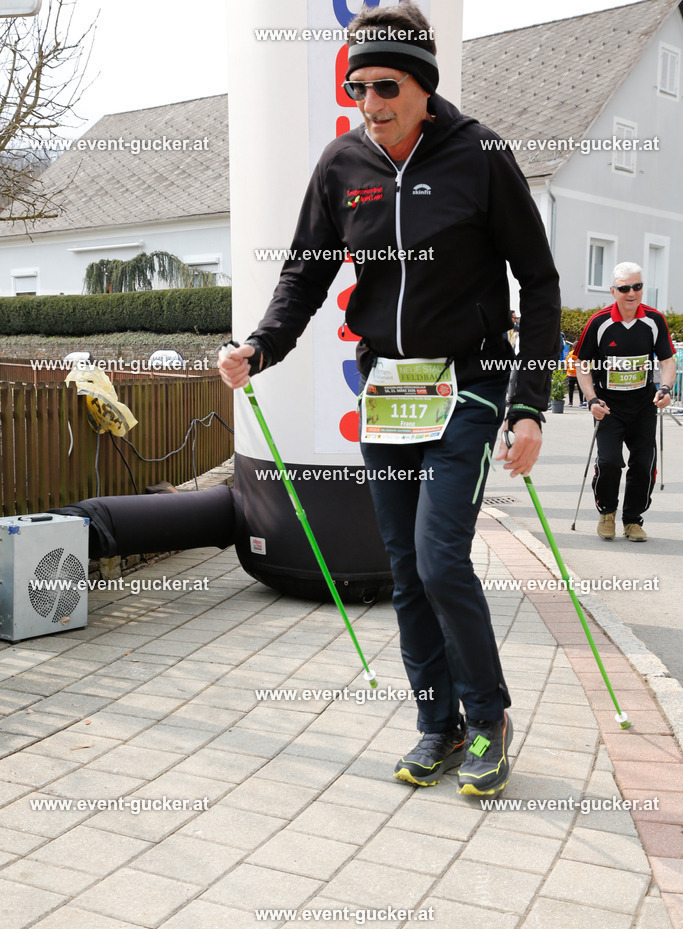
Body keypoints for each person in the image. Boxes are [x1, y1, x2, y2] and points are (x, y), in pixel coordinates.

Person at [219, 3, 561, 796]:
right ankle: (434, 725)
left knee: (442, 558)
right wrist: (260, 345)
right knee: (404, 566)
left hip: (470, 381)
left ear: (422, 86)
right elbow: (304, 274)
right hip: (389, 389)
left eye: (385, 86)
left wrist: (528, 403)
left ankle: (488, 719)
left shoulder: (479, 155)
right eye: (356, 86)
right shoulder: (343, 165)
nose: (368, 103)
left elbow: (537, 283)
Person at [574, 262, 675, 542]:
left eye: (637, 287)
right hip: (608, 407)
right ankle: (607, 512)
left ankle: (632, 520)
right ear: (613, 291)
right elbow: (582, 364)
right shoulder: (600, 322)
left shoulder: (654, 320)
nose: (632, 293)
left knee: (643, 464)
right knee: (609, 462)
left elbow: (667, 360)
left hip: (643, 406)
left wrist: (665, 388)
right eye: (625, 288)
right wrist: (591, 398)